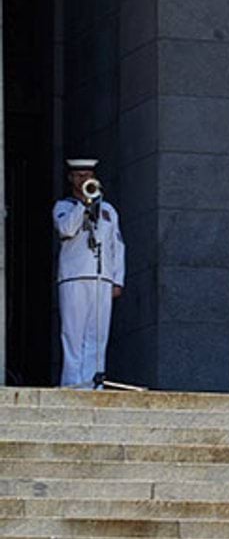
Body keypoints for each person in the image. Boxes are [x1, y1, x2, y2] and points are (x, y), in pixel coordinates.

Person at [52, 158, 125, 388]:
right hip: (74, 277)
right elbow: (66, 229)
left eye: (88, 175)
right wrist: (84, 204)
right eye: (79, 176)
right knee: (73, 334)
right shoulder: (64, 207)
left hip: (101, 278)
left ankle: (94, 384)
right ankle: (73, 384)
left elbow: (117, 246)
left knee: (98, 336)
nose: (84, 180)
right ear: (71, 179)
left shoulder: (108, 210)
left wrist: (117, 279)